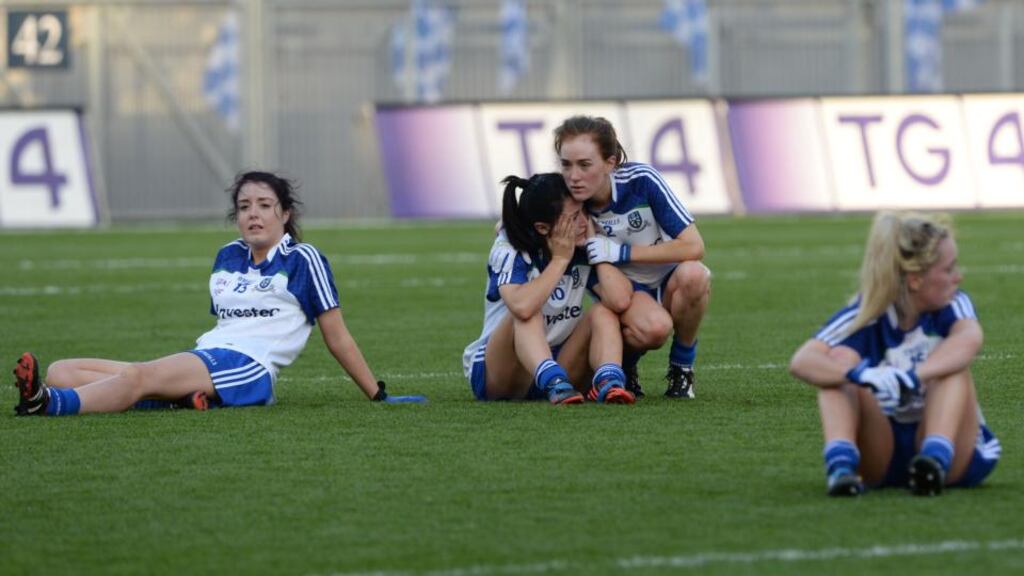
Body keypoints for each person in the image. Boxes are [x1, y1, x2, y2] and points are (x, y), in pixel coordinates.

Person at [12, 171, 424, 416]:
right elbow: (224, 324)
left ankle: (45, 406)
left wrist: (377, 393)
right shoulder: (227, 256)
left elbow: (337, 336)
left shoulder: (303, 258)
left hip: (249, 368)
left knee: (135, 376)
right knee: (62, 370)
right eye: (245, 206)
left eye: (265, 205)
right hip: (210, 355)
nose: (254, 214)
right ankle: (182, 399)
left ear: (285, 214)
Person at [789, 212, 1000, 497]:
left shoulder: (953, 304)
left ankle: (934, 460)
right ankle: (841, 466)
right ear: (915, 280)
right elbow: (802, 361)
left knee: (952, 364)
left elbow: (969, 339)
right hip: (884, 452)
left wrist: (911, 377)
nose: (957, 277)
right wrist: (859, 374)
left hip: (951, 449)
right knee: (837, 363)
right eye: (948, 269)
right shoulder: (868, 314)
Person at [553, 115, 711, 399]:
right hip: (623, 290)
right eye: (566, 164)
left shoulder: (641, 180)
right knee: (655, 329)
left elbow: (694, 246)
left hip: (666, 276)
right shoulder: (564, 198)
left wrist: (622, 252)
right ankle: (625, 367)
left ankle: (681, 368)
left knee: (695, 275)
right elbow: (522, 209)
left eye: (585, 165)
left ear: (610, 163)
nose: (574, 176)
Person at [462, 172, 635, 404]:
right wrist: (560, 261)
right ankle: (553, 380)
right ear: (543, 228)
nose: (584, 222)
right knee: (527, 311)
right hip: (500, 374)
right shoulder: (510, 248)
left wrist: (596, 247)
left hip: (559, 365)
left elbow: (620, 299)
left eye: (584, 211)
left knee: (603, 312)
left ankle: (609, 381)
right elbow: (521, 307)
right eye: (573, 218)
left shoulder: (582, 245)